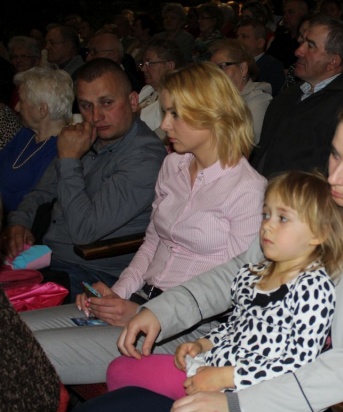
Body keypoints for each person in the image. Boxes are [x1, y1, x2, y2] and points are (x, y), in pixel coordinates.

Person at [66, 93, 343, 412]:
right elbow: (239, 272)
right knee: (102, 411)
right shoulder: (318, 204)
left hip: (340, 406)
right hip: (253, 374)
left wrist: (241, 408)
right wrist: (163, 311)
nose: (334, 177)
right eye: (335, 155)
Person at [19, 61, 266, 385]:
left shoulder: (247, 188)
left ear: (212, 115)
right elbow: (152, 242)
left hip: (188, 330)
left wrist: (148, 313)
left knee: (23, 355)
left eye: (175, 114)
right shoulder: (174, 165)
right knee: (13, 331)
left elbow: (236, 286)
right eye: (165, 112)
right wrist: (117, 294)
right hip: (140, 300)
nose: (164, 124)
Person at [106, 170, 343, 406]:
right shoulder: (253, 273)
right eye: (266, 215)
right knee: (121, 370)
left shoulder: (313, 288)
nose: (267, 225)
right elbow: (236, 328)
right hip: (212, 368)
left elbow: (299, 365)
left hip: (251, 391)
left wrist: (227, 377)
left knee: (123, 373)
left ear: (319, 233)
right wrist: (203, 344)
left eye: (283, 218)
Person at [2, 58, 166, 299]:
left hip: (95, 274)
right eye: (86, 105)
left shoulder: (145, 158)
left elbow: (84, 231)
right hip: (45, 256)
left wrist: (69, 159)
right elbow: (41, 192)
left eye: (107, 103)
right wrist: (20, 222)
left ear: (133, 102)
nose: (96, 116)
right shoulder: (86, 137)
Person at [250, 15, 343, 177]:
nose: (298, 51)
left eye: (310, 46)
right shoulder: (288, 94)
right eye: (302, 43)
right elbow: (261, 152)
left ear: (333, 61)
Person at [0, 67, 73, 215]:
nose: (16, 107)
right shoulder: (25, 134)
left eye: (21, 101)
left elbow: (31, 201)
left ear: (42, 110)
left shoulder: (61, 149)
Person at [209, 39, 272, 144]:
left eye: (221, 67)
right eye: (212, 70)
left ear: (243, 68)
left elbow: (247, 143)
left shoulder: (259, 100)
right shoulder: (216, 98)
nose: (214, 75)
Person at [137, 39, 185, 141]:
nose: (143, 69)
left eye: (149, 63)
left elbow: (162, 138)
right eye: (143, 64)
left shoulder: (177, 98)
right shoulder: (147, 89)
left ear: (170, 66)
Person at [236, 18, 285, 97]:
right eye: (237, 36)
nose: (238, 40)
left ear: (260, 43)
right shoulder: (234, 63)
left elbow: (270, 96)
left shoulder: (273, 67)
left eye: (244, 37)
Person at [267, 0, 309, 68]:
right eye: (284, 13)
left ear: (303, 15)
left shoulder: (305, 43)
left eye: (290, 12)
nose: (285, 16)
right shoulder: (280, 38)